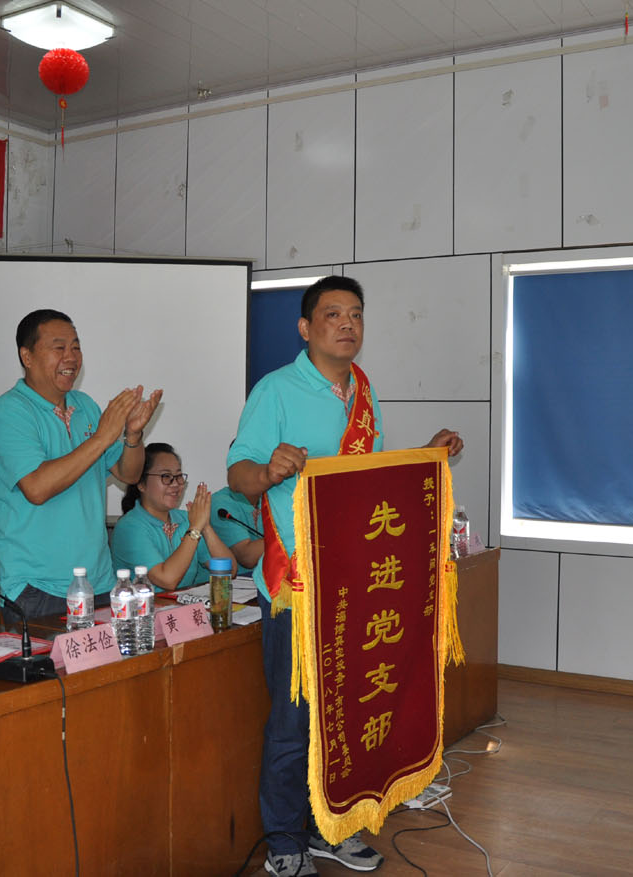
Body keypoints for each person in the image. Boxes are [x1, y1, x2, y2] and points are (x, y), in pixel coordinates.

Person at [228, 276, 463, 877]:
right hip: (299, 587)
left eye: (355, 314)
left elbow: (370, 483)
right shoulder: (275, 390)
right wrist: (268, 471)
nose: (347, 324)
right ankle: (285, 842)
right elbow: (237, 474)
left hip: (354, 582)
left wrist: (426, 455)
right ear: (306, 328)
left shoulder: (363, 389)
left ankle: (331, 826)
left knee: (347, 716)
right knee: (294, 722)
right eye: (333, 314)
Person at [0, 309, 162, 622]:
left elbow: (129, 473)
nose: (71, 357)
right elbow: (37, 487)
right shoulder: (10, 410)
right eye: (59, 348)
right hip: (38, 588)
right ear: (27, 356)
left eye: (76, 347)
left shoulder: (85, 406)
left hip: (99, 582)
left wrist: (133, 436)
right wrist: (102, 437)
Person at [110, 443, 235, 590]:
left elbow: (230, 571)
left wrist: (205, 526)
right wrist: (195, 529)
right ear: (141, 484)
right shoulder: (129, 527)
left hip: (183, 603)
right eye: (166, 476)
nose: (176, 484)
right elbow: (167, 579)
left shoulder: (186, 519)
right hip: (145, 604)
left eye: (179, 476)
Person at [209, 485, 262, 576]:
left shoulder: (273, 495)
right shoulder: (221, 502)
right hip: (241, 578)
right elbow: (247, 557)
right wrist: (283, 535)